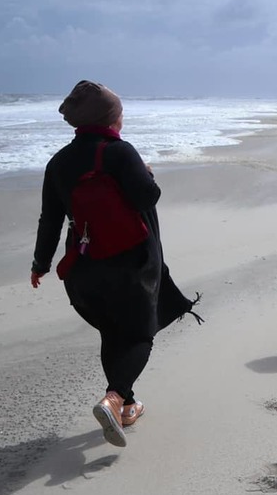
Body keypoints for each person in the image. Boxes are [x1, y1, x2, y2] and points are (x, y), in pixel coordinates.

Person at [30, 80, 202, 447]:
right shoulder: (120, 152)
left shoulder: (58, 162)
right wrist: (147, 173)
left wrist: (40, 263)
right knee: (140, 333)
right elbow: (147, 197)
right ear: (110, 118)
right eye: (120, 112)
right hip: (131, 262)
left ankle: (127, 405)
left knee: (112, 332)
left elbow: (50, 219)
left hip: (84, 265)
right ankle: (114, 398)